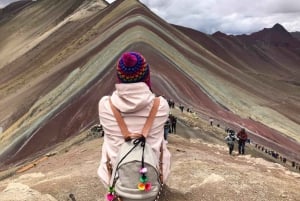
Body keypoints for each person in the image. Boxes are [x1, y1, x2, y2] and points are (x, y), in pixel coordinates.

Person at [97, 51, 171, 192]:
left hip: (115, 181)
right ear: (146, 76)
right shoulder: (161, 105)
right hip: (154, 180)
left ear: (119, 77)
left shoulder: (105, 105)